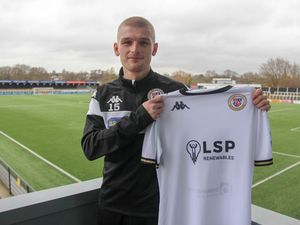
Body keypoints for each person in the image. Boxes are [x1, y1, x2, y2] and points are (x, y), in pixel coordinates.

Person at [81, 16, 271, 225]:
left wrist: (250, 107)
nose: (135, 48)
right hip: (112, 206)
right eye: (127, 42)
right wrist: (139, 118)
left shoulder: (176, 91)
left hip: (163, 208)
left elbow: (211, 128)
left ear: (154, 48)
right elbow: (91, 147)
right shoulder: (103, 94)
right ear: (117, 48)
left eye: (144, 42)